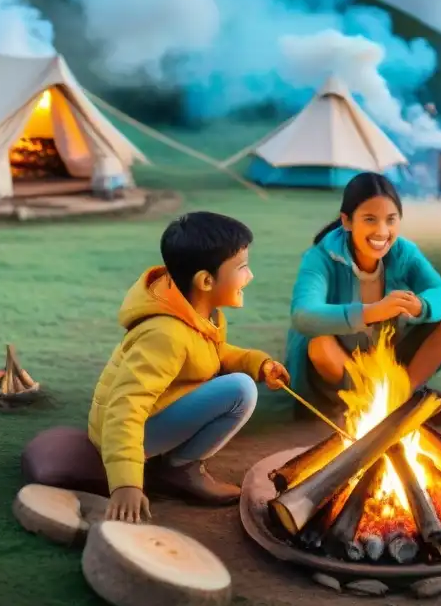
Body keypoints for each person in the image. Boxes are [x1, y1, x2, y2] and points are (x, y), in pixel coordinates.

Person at [88, 211, 291, 523]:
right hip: (129, 430)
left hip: (157, 411)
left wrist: (259, 365)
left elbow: (213, 352)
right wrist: (125, 483)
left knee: (241, 382)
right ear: (206, 281)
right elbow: (125, 407)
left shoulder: (192, 308)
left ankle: (175, 462)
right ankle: (180, 467)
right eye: (242, 267)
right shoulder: (165, 334)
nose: (249, 276)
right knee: (240, 390)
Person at [286, 172, 441, 424]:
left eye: (391, 220)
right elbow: (302, 315)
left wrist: (421, 306)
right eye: (370, 219)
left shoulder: (404, 252)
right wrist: (372, 311)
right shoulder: (320, 257)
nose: (382, 231)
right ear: (347, 221)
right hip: (339, 367)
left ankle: (401, 396)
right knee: (319, 344)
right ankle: (378, 403)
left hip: (386, 355)